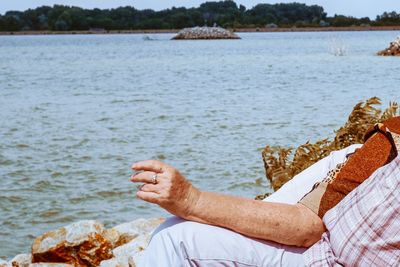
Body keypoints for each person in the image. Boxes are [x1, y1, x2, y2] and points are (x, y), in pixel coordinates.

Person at [130, 118, 400, 266]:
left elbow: (309, 228)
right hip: (321, 249)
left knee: (176, 238)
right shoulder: (388, 140)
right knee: (176, 236)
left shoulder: (390, 142)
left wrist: (191, 200)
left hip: (320, 254)